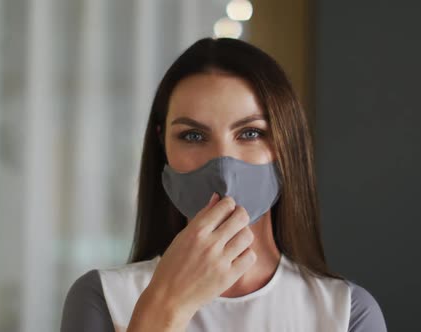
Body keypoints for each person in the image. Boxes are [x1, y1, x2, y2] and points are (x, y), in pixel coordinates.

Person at [60, 37, 387, 332]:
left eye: (250, 133)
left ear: (287, 145)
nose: (223, 164)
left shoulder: (346, 313)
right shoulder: (101, 298)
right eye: (193, 136)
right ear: (163, 148)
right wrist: (167, 305)